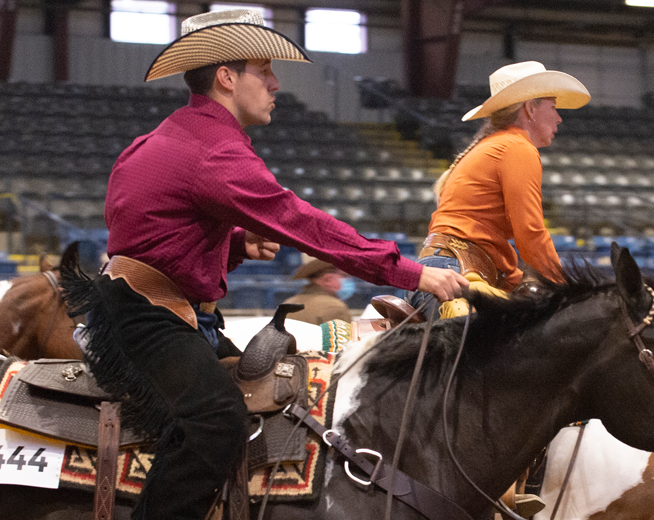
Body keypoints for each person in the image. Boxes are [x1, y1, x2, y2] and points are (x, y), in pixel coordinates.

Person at [62, 10, 467, 520]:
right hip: (148, 317)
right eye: (264, 71)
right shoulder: (215, 152)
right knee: (217, 419)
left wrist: (232, 243)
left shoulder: (172, 137)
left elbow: (151, 235)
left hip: (158, 308)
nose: (276, 84)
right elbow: (303, 224)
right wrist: (411, 272)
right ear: (227, 77)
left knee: (275, 393)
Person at [407, 61, 590, 319]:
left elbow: (496, 244)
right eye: (553, 106)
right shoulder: (517, 147)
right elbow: (530, 234)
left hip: (450, 267)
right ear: (530, 108)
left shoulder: (493, 145)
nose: (559, 117)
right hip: (456, 273)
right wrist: (567, 290)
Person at [283, 258, 353, 324]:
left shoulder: (288, 303)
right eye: (344, 276)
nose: (349, 280)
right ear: (327, 280)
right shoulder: (335, 307)